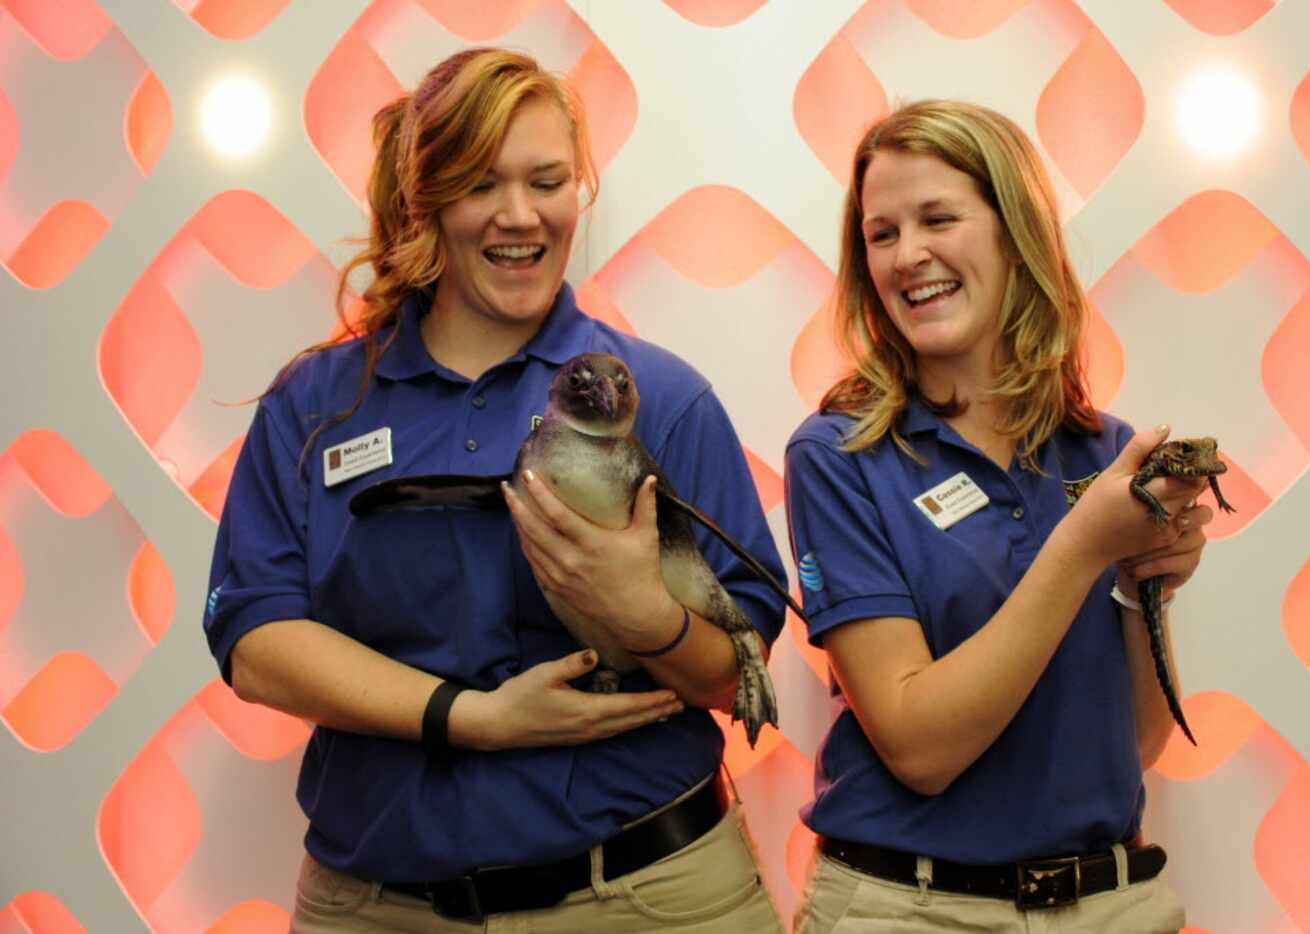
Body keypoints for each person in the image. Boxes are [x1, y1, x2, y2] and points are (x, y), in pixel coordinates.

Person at [203, 48, 785, 932]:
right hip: (379, 910)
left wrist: (641, 612)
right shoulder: (316, 405)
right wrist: (472, 718)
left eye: (547, 181)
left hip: (648, 898)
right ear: (423, 201)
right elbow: (255, 638)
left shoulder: (659, 398)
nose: (521, 215)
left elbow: (739, 664)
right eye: (481, 185)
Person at [783, 100, 1211, 932]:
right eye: (881, 234)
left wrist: (1143, 584)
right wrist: (1084, 548)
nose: (909, 256)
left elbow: (1138, 745)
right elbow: (920, 749)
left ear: (1016, 233)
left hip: (1110, 904)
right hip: (907, 911)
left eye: (938, 218)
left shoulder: (1104, 452)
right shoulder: (838, 456)